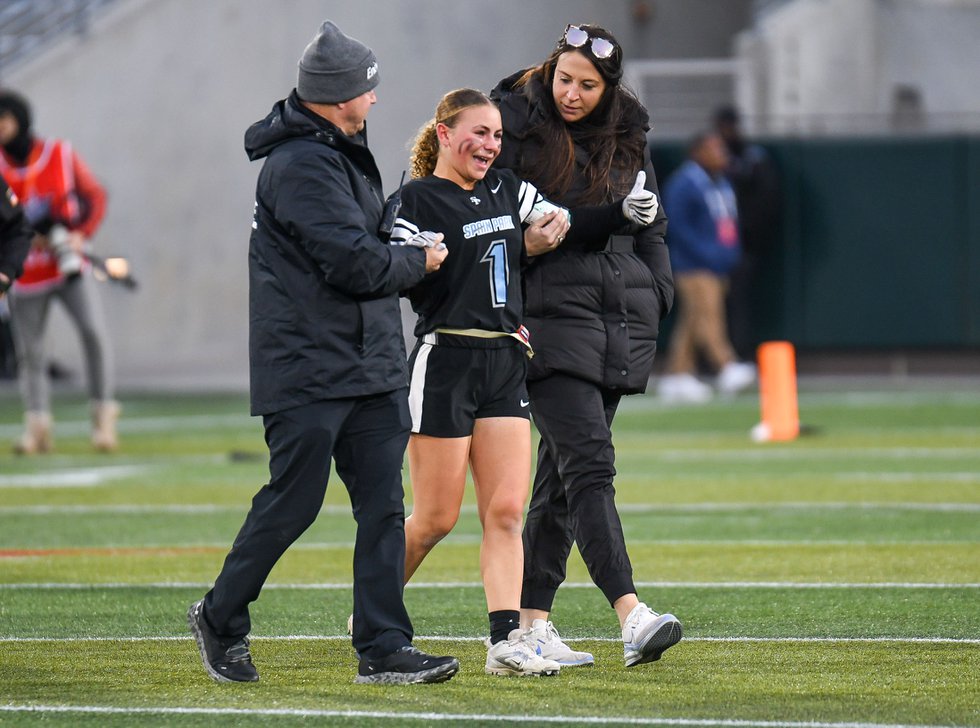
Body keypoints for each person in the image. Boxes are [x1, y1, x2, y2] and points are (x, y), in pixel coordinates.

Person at [187, 20, 458, 686]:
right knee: (293, 502)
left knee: (383, 507)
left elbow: (362, 245)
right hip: (309, 365)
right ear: (340, 96)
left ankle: (384, 645)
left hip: (367, 362)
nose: (375, 99)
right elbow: (353, 265)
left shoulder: (336, 149)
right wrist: (417, 259)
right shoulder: (300, 164)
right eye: (369, 88)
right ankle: (221, 617)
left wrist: (396, 227)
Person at [490, 23, 682, 668]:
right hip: (543, 320)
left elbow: (650, 218)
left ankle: (530, 623)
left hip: (615, 318)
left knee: (563, 482)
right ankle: (632, 615)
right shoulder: (509, 121)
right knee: (591, 466)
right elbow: (509, 221)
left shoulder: (629, 130)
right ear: (550, 68)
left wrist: (658, 289)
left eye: (588, 85)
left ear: (608, 89)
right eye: (565, 78)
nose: (572, 94)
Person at [390, 88, 570, 677]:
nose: (491, 146)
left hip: (502, 362)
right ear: (444, 133)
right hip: (446, 361)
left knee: (506, 511)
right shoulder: (415, 199)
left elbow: (554, 219)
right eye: (479, 133)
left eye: (497, 135)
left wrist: (545, 229)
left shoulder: (506, 186)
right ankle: (372, 608)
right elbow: (394, 269)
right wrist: (515, 244)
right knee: (436, 518)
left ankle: (506, 642)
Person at [0, 89, 119, 452]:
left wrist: (81, 236)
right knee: (30, 352)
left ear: (19, 120)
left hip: (67, 265)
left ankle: (103, 419)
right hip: (27, 272)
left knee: (93, 335)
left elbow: (95, 195)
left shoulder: (59, 154)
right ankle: (37, 427)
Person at [658, 131, 756, 404]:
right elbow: (677, 226)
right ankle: (726, 364)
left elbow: (726, 223)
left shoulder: (720, 182)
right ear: (697, 153)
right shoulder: (684, 184)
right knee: (709, 316)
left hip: (718, 263)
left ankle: (677, 375)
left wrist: (727, 255)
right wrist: (707, 254)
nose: (722, 155)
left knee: (693, 318)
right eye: (714, 149)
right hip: (693, 265)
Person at [712, 105, 781, 362]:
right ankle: (720, 359)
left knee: (739, 303)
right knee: (711, 307)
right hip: (712, 251)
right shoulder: (703, 171)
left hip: (744, 246)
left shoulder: (754, 159)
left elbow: (767, 204)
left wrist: (752, 237)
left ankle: (737, 355)